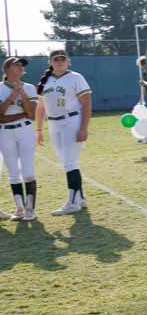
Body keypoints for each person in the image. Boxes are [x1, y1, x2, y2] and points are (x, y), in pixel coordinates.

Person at [33, 49, 92, 215]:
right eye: (56, 59)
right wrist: (38, 129)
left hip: (71, 121)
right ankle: (80, 198)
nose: (59, 62)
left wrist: (83, 128)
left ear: (68, 62)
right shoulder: (45, 80)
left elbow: (86, 103)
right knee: (67, 162)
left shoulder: (76, 77)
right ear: (50, 63)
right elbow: (40, 107)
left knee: (70, 162)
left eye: (62, 59)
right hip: (53, 124)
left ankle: (72, 203)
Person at [0, 57, 38, 221]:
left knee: (28, 171)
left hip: (25, 130)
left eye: (22, 65)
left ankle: (30, 210)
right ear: (7, 69)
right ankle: (19, 209)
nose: (21, 67)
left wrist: (21, 94)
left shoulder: (29, 87)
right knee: (13, 172)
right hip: (4, 133)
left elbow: (31, 114)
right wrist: (12, 96)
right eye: (16, 65)